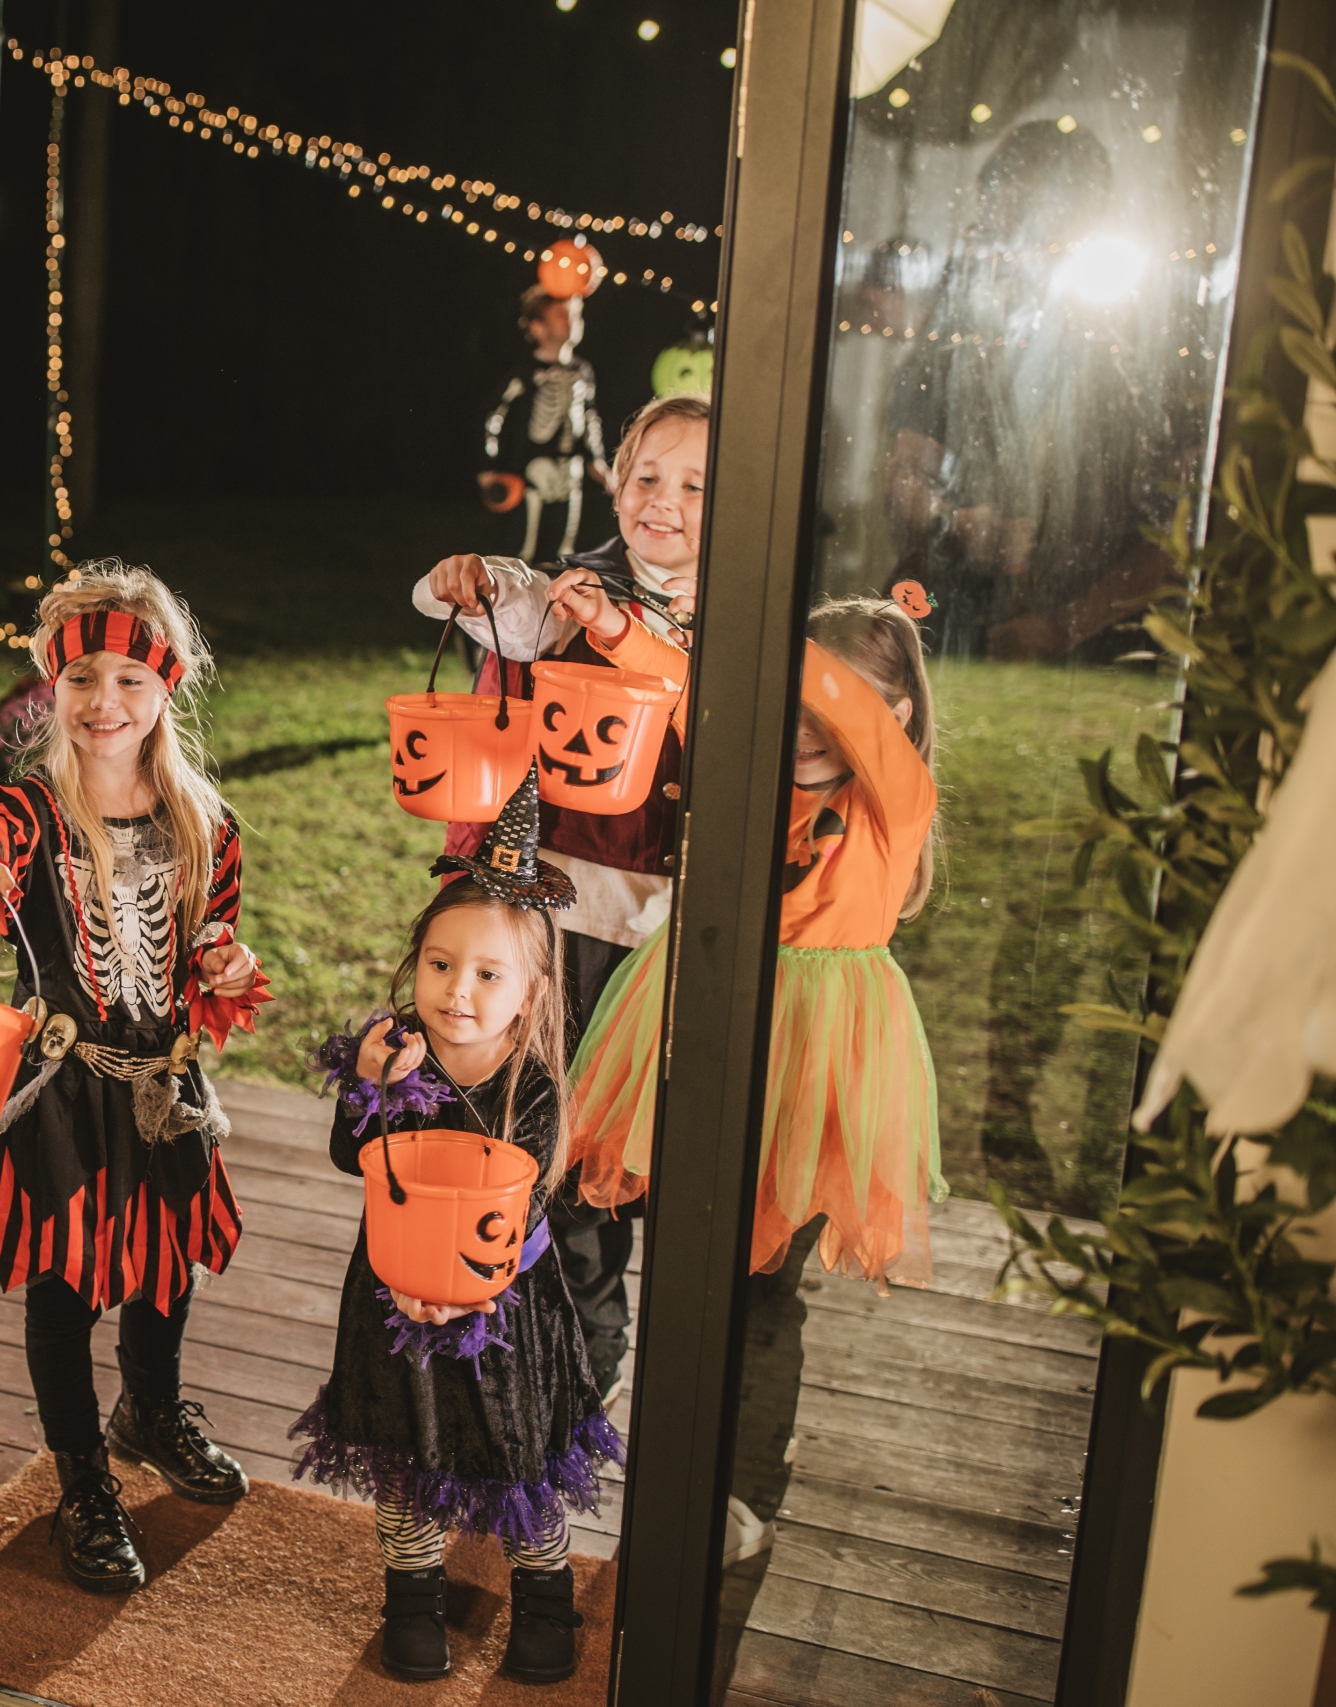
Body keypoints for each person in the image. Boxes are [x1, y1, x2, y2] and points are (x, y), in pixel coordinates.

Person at [0, 562, 269, 1591]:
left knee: (167, 1266)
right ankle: (80, 1480)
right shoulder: (30, 809)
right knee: (66, 1285)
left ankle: (149, 1413)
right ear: (49, 688)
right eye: (80, 680)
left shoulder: (206, 823)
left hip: (164, 1086)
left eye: (126, 679)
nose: (102, 703)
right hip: (62, 1092)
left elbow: (214, 949)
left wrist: (225, 966)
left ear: (167, 686)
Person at [563, 595, 944, 1553]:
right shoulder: (751, 767)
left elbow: (814, 701)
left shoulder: (895, 800)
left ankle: (738, 1487)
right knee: (677, 1251)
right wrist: (615, 634)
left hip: (814, 1063)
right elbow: (704, 691)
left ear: (891, 719)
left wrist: (781, 654)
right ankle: (645, 1431)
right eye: (791, 712)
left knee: (763, 1285)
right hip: (697, 1019)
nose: (806, 734)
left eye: (834, 712)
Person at [411, 391, 713, 1403]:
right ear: (613, 480)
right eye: (644, 477)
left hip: (665, 941)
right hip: (550, 921)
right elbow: (485, 599)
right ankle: (526, 1365)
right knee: (536, 1138)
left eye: (694, 486)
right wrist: (479, 576)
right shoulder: (573, 595)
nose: (660, 502)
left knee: (626, 1167)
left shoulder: (746, 626)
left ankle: (601, 1380)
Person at [291, 772, 623, 1686]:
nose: (458, 992)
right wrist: (371, 1089)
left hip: (500, 1305)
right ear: (417, 960)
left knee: (516, 1457)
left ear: (530, 989)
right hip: (394, 1293)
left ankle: (544, 1592)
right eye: (441, 965)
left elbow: (516, 1205)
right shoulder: (394, 1049)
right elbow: (347, 1153)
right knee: (408, 1454)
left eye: (487, 974)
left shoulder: (534, 1087)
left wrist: (460, 1286)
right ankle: (413, 1590)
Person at [479, 284, 612, 563]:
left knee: (562, 552)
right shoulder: (523, 374)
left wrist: (597, 462)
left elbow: (589, 418)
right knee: (522, 552)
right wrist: (490, 466)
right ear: (538, 328)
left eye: (576, 315)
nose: (572, 321)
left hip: (570, 471)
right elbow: (494, 417)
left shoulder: (582, 371)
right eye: (562, 315)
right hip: (531, 472)